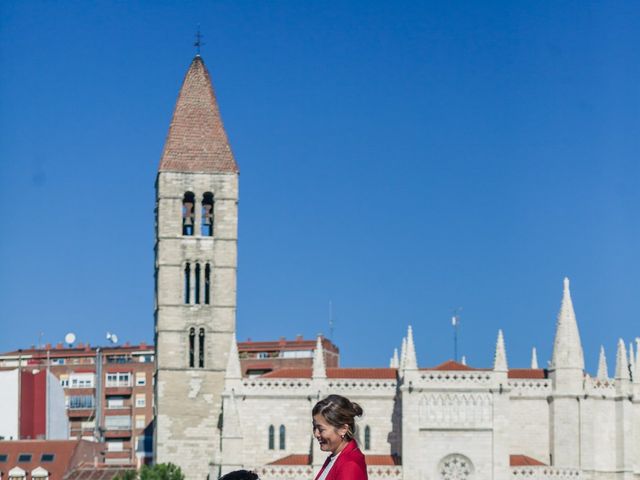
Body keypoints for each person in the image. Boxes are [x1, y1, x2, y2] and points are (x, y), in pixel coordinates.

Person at [312, 394, 368, 480]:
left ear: (343, 429)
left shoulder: (349, 466)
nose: (316, 434)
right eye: (314, 427)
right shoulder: (335, 458)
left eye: (321, 429)